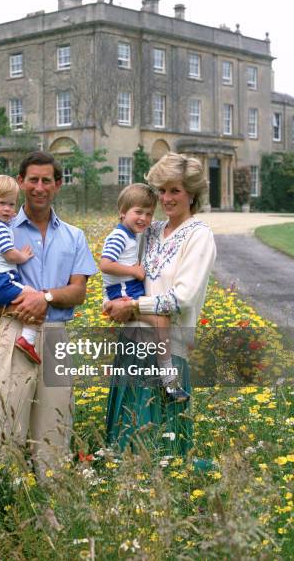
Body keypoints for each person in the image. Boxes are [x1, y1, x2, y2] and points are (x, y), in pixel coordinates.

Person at [0, 152, 97, 479]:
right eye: (32, 180)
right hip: (10, 332)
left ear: (58, 185)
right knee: (6, 430)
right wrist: (18, 307)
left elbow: (78, 291)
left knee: (55, 432)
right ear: (21, 182)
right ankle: (8, 512)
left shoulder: (74, 236)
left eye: (46, 181)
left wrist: (45, 297)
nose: (39, 187)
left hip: (55, 337)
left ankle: (52, 513)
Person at [105, 152, 216, 457]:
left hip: (169, 348)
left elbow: (181, 299)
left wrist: (133, 306)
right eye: (162, 191)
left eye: (175, 190)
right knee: (126, 441)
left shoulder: (199, 236)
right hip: (132, 343)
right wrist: (113, 301)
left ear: (191, 193)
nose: (166, 198)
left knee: (160, 446)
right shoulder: (150, 231)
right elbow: (121, 266)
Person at [99, 183, 189, 402]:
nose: (144, 218)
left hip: (129, 291)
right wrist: (134, 271)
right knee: (161, 321)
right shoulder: (119, 236)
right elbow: (105, 264)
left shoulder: (132, 235)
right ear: (122, 212)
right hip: (124, 294)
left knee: (160, 321)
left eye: (149, 214)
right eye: (138, 212)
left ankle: (166, 376)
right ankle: (168, 379)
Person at [0, 174, 41, 364]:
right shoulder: (0, 229)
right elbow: (9, 254)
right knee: (34, 297)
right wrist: (23, 256)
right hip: (2, 280)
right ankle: (27, 339)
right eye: (2, 203)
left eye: (12, 205)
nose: (7, 209)